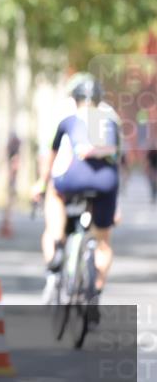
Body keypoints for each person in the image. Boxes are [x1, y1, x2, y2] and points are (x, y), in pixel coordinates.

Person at [32, 73, 120, 324]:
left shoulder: (66, 115)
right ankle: (95, 292)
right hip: (106, 182)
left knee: (54, 196)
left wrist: (41, 183)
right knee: (103, 241)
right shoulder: (111, 117)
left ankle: (57, 246)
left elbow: (50, 154)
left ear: (75, 98)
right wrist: (117, 204)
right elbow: (118, 161)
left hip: (71, 178)